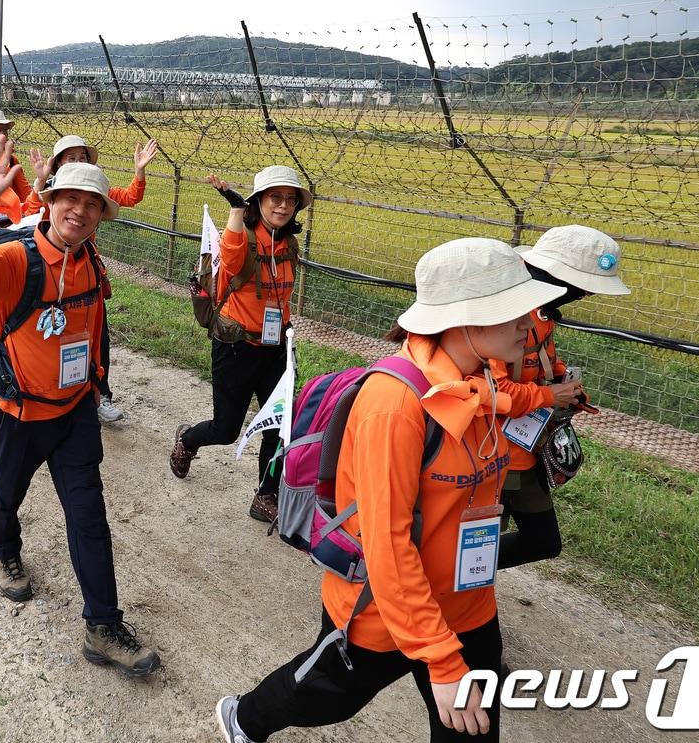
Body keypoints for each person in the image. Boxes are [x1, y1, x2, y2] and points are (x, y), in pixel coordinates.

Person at [215, 237, 566, 743]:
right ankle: (245, 719)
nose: (528, 323)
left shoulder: (486, 384)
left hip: (469, 605)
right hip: (384, 609)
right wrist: (442, 661)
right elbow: (388, 545)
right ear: (465, 321)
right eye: (512, 310)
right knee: (323, 695)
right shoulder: (394, 404)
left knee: (473, 732)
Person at [0, 132, 161, 678]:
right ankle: (6, 552)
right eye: (73, 200)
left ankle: (103, 625)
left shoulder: (90, 261)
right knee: (7, 494)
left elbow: (90, 331)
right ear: (52, 199)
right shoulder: (17, 258)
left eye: (93, 204)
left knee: (90, 517)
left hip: (73, 414)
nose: (81, 211)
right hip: (18, 414)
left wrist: (93, 386)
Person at [171, 166, 308, 525]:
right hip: (237, 348)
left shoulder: (288, 244)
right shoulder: (245, 238)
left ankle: (266, 495)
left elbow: (282, 297)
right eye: (275, 198)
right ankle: (188, 439)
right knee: (226, 429)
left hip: (275, 347)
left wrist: (287, 339)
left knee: (281, 425)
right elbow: (229, 262)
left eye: (290, 199)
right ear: (259, 201)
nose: (283, 205)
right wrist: (235, 209)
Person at [492, 226, 628, 570]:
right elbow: (492, 392)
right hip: (491, 454)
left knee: (542, 542)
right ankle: (447, 594)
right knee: (474, 543)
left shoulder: (543, 311)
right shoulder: (502, 313)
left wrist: (565, 385)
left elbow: (541, 358)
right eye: (581, 288)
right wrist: (549, 394)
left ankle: (455, 580)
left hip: (528, 450)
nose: (584, 296)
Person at [24, 135, 160, 424]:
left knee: (98, 336)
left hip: (84, 270)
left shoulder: (95, 191)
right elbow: (25, 217)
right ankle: (45, 393)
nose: (77, 162)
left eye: (82, 157)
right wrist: (38, 185)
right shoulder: (47, 190)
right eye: (70, 158)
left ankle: (100, 393)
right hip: (43, 275)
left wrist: (139, 171)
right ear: (57, 163)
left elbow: (130, 197)